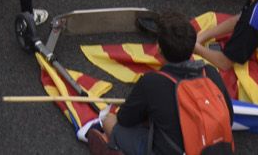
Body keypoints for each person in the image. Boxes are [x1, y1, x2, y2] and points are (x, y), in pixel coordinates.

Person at [77, 9, 232, 155]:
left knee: (109, 122)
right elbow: (229, 117)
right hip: (214, 147)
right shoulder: (210, 72)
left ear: (158, 49)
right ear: (192, 48)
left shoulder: (152, 82)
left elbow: (125, 119)